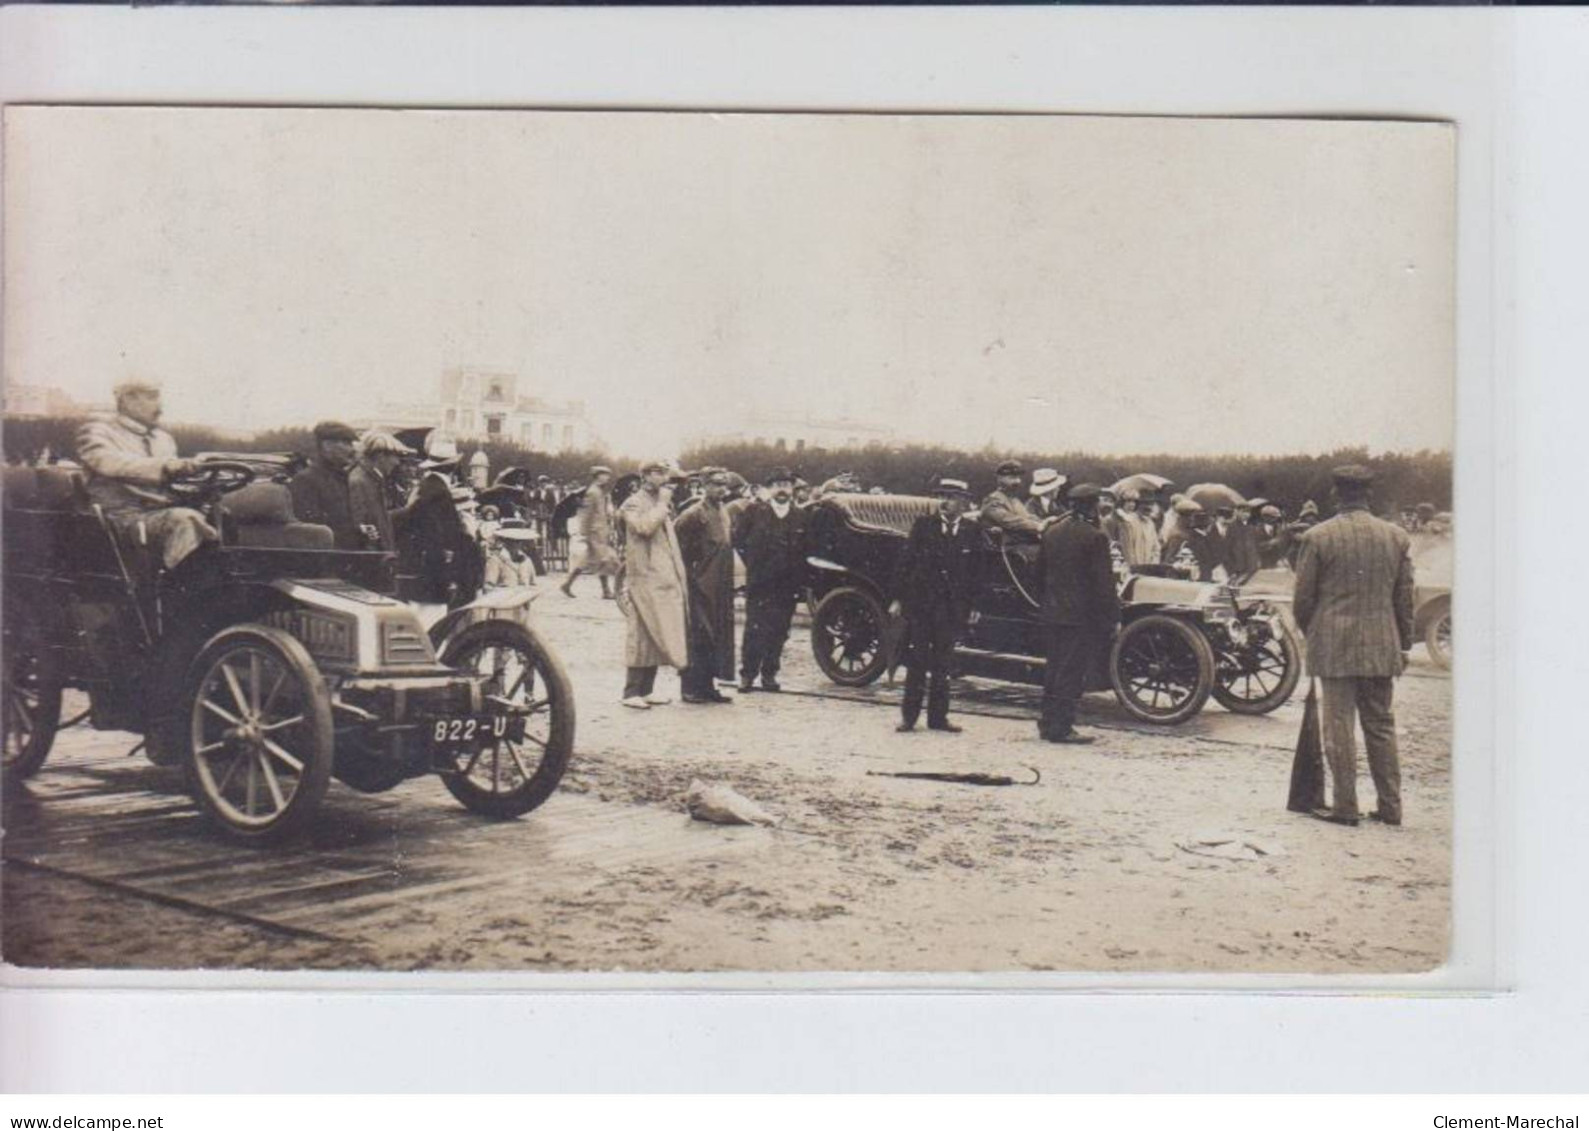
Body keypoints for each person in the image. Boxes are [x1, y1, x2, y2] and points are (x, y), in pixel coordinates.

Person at [1292, 464, 1416, 828]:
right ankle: (1390, 807)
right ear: (1369, 495)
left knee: (1339, 726)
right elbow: (1404, 599)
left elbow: (1303, 601)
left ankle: (1345, 806)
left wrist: (1316, 631)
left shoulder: (1317, 537)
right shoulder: (1396, 537)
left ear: (1335, 495)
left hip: (1334, 645)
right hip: (1382, 645)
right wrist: (1403, 644)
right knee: (1381, 725)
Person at [74, 379, 216, 571]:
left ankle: (219, 582)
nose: (161, 406)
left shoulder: (164, 439)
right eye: (152, 397)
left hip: (159, 514)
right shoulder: (97, 432)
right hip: (119, 518)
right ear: (127, 400)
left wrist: (200, 488)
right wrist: (166, 467)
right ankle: (172, 590)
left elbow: (173, 481)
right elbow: (109, 463)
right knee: (186, 520)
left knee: (220, 515)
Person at [889, 476, 980, 734]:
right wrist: (898, 598)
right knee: (917, 662)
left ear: (964, 502)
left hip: (951, 610)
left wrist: (974, 605)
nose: (945, 502)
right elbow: (905, 563)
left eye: (951, 497)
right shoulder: (923, 526)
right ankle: (909, 717)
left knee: (943, 664)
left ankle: (939, 718)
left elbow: (976, 573)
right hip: (921, 607)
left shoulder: (971, 531)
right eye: (942, 496)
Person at [1035, 484, 1121, 744]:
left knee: (1053, 669)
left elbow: (1038, 574)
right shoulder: (1095, 537)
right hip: (1080, 617)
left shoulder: (1052, 532)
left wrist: (1048, 602)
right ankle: (1062, 728)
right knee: (1071, 673)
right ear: (1093, 505)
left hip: (1053, 613)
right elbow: (1103, 584)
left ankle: (1047, 723)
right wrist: (1112, 618)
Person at [617, 460, 690, 709]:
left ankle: (647, 689)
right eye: (658, 473)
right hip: (643, 576)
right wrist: (661, 504)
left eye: (664, 473)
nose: (664, 478)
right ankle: (630, 691)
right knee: (640, 631)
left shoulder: (660, 500)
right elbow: (643, 527)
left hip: (660, 576)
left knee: (656, 630)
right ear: (646, 475)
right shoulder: (634, 502)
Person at [734, 466, 808, 693]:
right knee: (755, 629)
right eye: (777, 486)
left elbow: (807, 549)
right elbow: (738, 540)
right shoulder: (755, 512)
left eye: (786, 485)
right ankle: (748, 675)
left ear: (792, 489)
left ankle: (769, 675)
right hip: (760, 583)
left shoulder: (801, 516)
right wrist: (755, 566)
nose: (782, 490)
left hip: (787, 585)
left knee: (779, 631)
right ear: (769, 489)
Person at [674, 470, 737, 704]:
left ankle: (708, 686)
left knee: (717, 635)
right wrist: (690, 579)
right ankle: (690, 687)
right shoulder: (693, 514)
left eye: (724, 485)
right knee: (699, 635)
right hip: (699, 585)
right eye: (716, 485)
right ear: (704, 486)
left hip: (720, 585)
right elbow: (678, 549)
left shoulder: (723, 511)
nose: (721, 489)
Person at [287, 421, 384, 551]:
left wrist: (361, 531)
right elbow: (311, 530)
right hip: (327, 561)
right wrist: (355, 533)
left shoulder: (340, 478)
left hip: (343, 557)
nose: (352, 449)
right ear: (327, 445)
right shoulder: (306, 480)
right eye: (346, 443)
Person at [561, 466, 619, 599]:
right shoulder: (593, 492)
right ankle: (606, 591)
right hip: (594, 533)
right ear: (597, 476)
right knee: (604, 560)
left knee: (588, 560)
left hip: (599, 532)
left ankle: (567, 584)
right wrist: (585, 532)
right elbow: (586, 513)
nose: (607, 478)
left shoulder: (599, 491)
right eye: (604, 475)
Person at [349, 430, 409, 551]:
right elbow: (360, 526)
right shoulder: (360, 481)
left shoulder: (371, 479)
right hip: (372, 559)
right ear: (380, 456)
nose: (397, 462)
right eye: (395, 457)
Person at [979, 459, 1044, 540]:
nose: (1017, 481)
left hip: (1022, 542)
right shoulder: (992, 500)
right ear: (1000, 479)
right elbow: (1010, 522)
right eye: (1012, 478)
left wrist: (1045, 522)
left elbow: (1026, 517)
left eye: (1018, 477)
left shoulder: (1014, 500)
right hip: (1008, 547)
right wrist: (1038, 526)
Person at [1161, 499, 1216, 580]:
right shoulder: (1178, 535)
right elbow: (1169, 560)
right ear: (1184, 517)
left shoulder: (1186, 532)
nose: (1193, 520)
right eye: (1191, 516)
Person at [1115, 488, 1161, 568]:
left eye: (1151, 504)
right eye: (1145, 504)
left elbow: (1156, 548)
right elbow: (1127, 550)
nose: (1148, 507)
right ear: (1138, 505)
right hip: (1134, 569)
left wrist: (1153, 565)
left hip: (1149, 569)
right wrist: (1135, 568)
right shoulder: (1128, 523)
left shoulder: (1150, 523)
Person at [1223, 500, 1261, 581]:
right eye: (1243, 512)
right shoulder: (1232, 527)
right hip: (1237, 562)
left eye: (1248, 512)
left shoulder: (1252, 527)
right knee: (1235, 584)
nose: (1246, 514)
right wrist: (1230, 569)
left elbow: (1255, 544)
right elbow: (1227, 547)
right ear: (1237, 512)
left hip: (1251, 562)